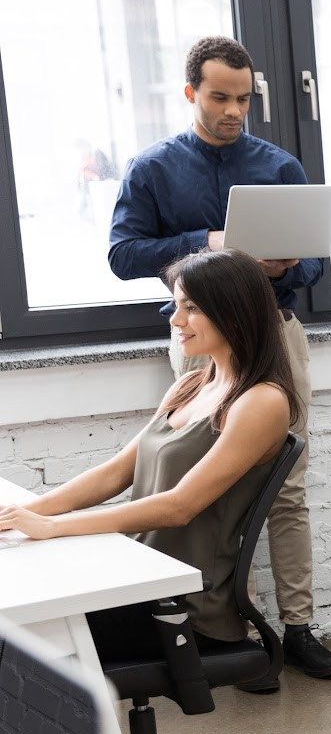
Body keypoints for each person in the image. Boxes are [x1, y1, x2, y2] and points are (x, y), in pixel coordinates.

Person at [107, 35, 331, 681]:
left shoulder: (279, 165)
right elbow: (123, 253)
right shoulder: (152, 168)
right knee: (196, 484)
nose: (234, 109)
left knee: (285, 487)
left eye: (243, 98)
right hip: (201, 345)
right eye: (220, 97)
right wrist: (209, 242)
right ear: (191, 93)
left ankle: (296, 627)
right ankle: (217, 625)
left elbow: (318, 262)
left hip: (275, 329)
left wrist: (289, 261)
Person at [0, 250, 299, 668]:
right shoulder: (193, 384)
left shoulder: (261, 401)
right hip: (135, 577)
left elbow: (180, 507)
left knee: (22, 634)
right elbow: (114, 473)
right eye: (176, 305)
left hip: (180, 608)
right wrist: (21, 514)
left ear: (233, 312)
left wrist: (52, 527)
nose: (176, 320)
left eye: (190, 308)